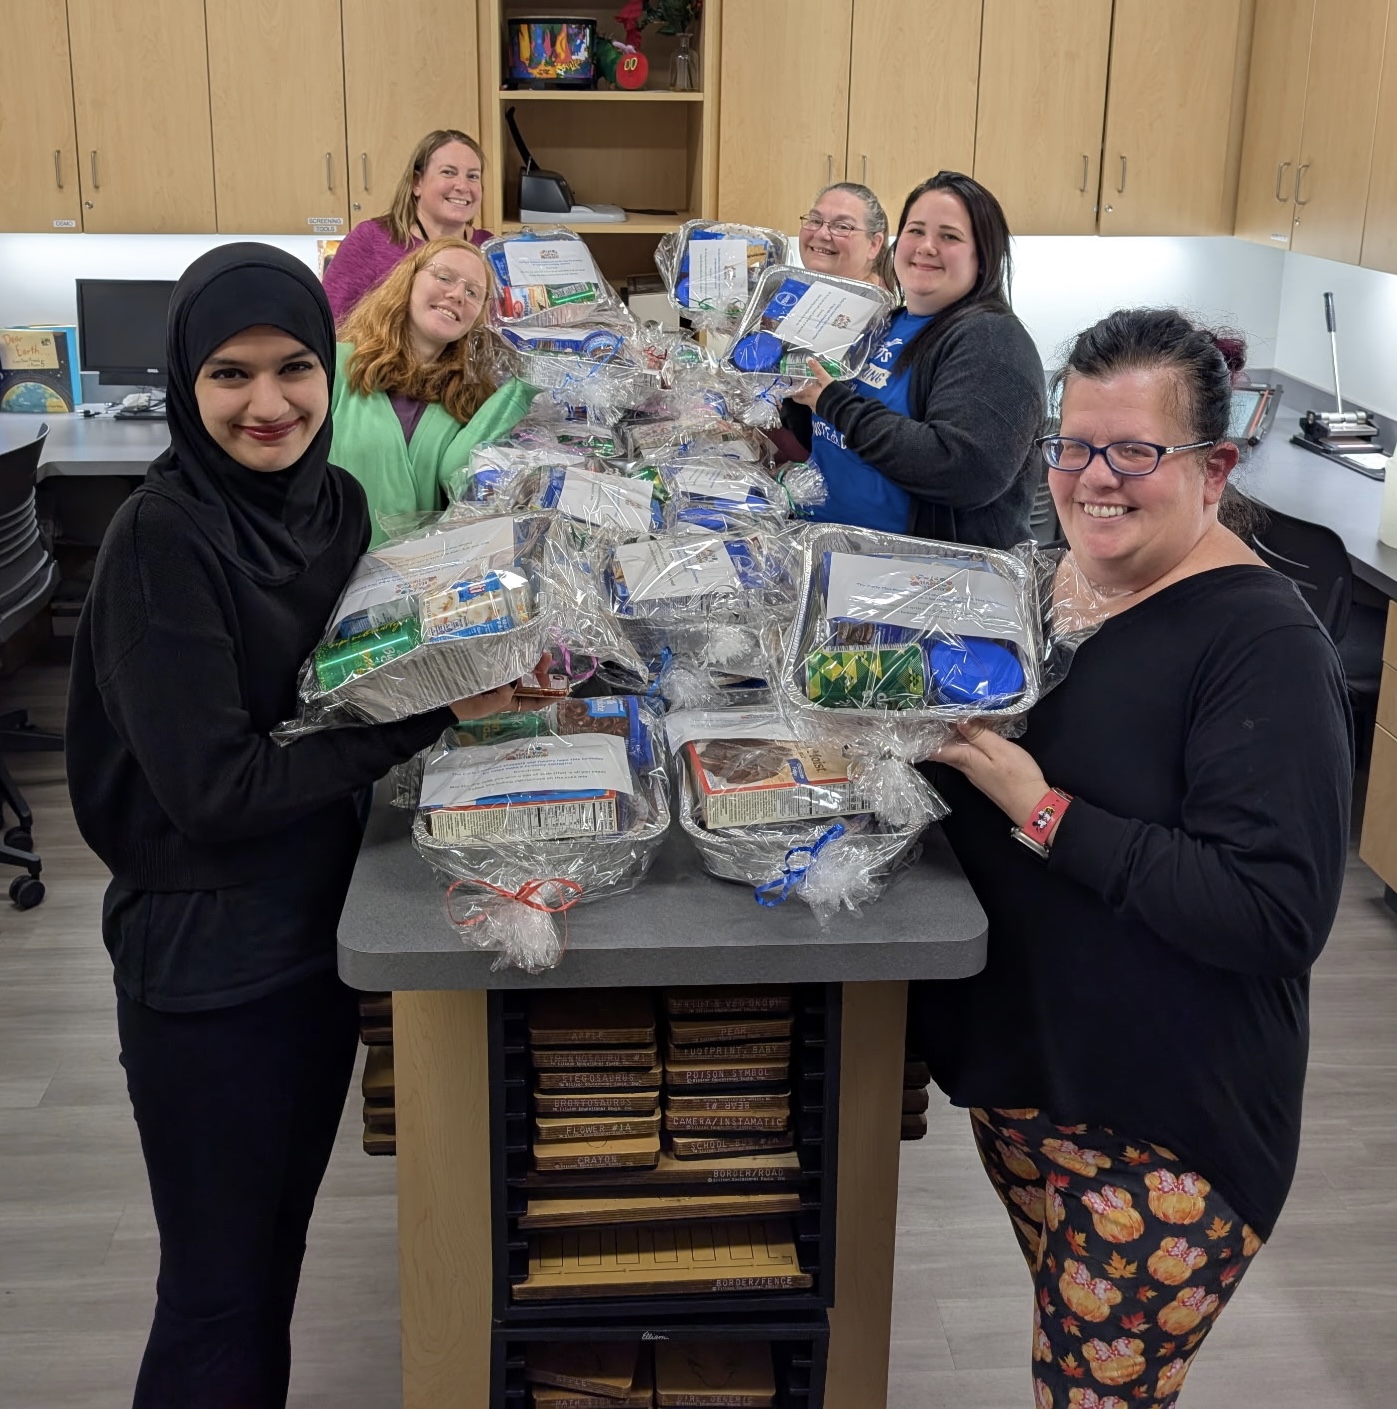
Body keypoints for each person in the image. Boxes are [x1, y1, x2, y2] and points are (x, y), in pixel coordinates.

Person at [65, 243, 532, 1409]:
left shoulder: (334, 504)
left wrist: (496, 624)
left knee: (275, 1255)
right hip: (205, 957)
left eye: (290, 369)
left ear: (330, 369)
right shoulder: (159, 541)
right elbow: (215, 792)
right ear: (186, 383)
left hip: (315, 925)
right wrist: (426, 715)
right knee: (216, 1291)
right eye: (228, 375)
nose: (266, 404)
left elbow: (346, 679)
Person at [911, 308, 1353, 1407]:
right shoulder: (1055, 583)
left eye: (1133, 452)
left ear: (1213, 466)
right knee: (1062, 1357)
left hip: (1160, 1130)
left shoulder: (1260, 647)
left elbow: (1270, 911)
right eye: (1071, 444)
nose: (1092, 478)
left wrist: (1037, 805)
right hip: (1030, 1087)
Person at [783, 170, 1044, 546]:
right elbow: (829, 439)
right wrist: (792, 392)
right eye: (916, 231)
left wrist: (833, 401)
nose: (926, 246)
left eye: (949, 236)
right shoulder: (883, 323)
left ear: (983, 256)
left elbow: (964, 471)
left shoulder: (993, 340)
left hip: (916, 583)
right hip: (828, 554)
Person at [331, 235, 535, 545]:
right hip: (324, 574)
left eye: (473, 293)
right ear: (408, 280)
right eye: (444, 277)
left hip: (416, 584)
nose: (457, 295)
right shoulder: (336, 366)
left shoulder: (469, 398)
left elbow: (467, 491)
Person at [324, 129, 491, 324]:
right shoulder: (372, 240)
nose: (463, 186)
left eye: (473, 176)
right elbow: (329, 325)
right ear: (416, 182)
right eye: (448, 172)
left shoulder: (490, 249)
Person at [797, 181, 895, 290]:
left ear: (873, 245)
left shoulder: (877, 305)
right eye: (815, 220)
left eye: (842, 226)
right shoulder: (791, 291)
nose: (821, 233)